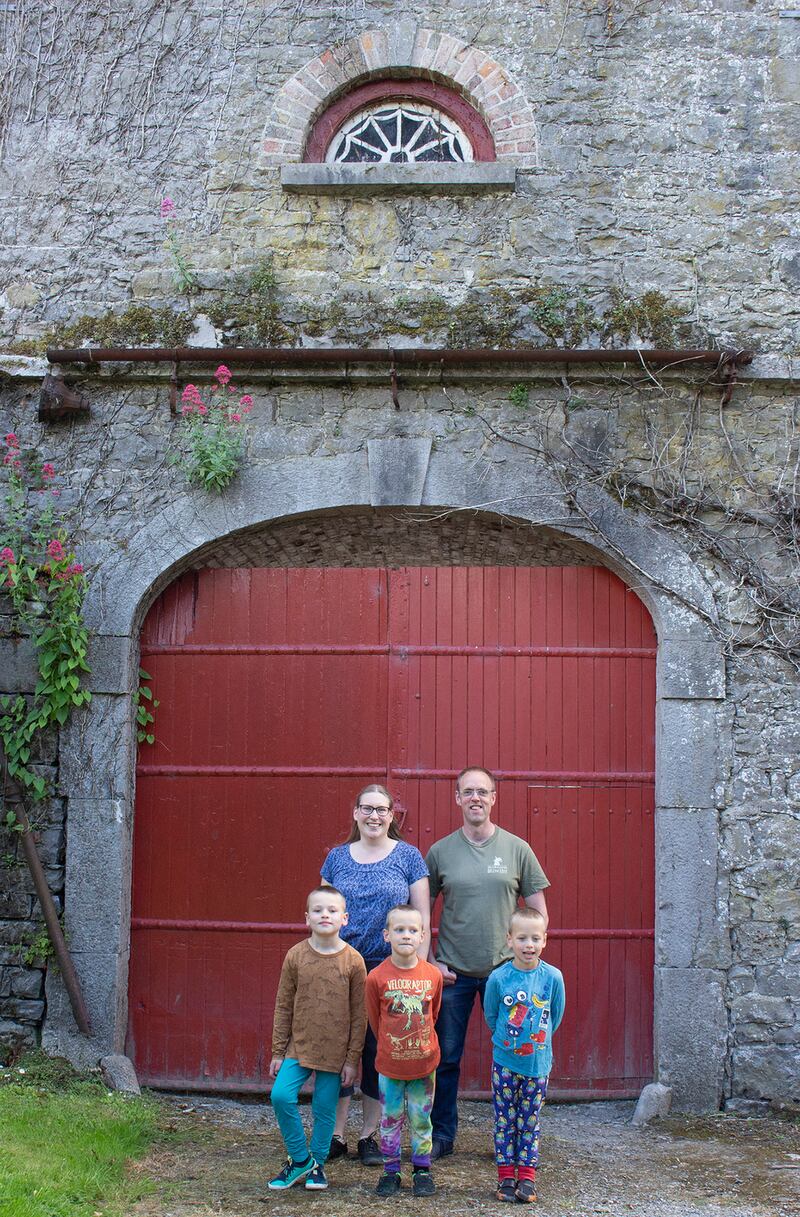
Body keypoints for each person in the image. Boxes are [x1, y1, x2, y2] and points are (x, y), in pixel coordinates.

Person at [426, 766, 549, 1159]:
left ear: (494, 798)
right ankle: (442, 1134)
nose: (475, 798)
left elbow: (538, 913)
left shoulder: (517, 849)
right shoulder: (440, 852)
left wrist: (526, 964)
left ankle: (510, 1140)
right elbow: (421, 911)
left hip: (506, 976)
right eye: (468, 792)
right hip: (453, 974)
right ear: (457, 798)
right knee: (446, 1058)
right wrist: (430, 960)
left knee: (513, 1057)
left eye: (482, 791)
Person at [320, 783, 430, 1164]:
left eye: (382, 810)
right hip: (342, 966)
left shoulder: (409, 857)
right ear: (355, 813)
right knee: (338, 1048)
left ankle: (369, 1134)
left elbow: (421, 919)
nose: (374, 816)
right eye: (367, 808)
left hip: (389, 970)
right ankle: (334, 1134)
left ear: (391, 816)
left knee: (376, 1048)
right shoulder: (336, 858)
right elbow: (324, 912)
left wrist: (417, 972)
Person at [267, 887, 367, 1192]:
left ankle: (318, 1165)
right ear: (307, 918)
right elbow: (284, 1004)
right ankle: (300, 1159)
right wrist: (278, 1051)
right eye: (318, 910)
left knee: (324, 1109)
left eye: (332, 910)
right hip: (299, 1046)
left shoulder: (353, 961)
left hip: (335, 1052)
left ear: (344, 918)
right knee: (281, 1095)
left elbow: (360, 1015)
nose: (325, 915)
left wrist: (352, 1059)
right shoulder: (296, 955)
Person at [484, 907, 565, 1203]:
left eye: (535, 938)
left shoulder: (552, 978)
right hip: (505, 1063)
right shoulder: (498, 978)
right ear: (509, 939)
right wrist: (507, 1040)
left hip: (537, 1064)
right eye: (521, 938)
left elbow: (555, 1015)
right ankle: (506, 1176)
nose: (528, 945)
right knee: (504, 1120)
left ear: (544, 940)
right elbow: (491, 1015)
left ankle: (527, 1178)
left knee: (529, 1121)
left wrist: (538, 1041)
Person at [366, 904, 443, 1198]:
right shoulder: (376, 977)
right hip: (390, 1066)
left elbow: (432, 1014)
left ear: (423, 935)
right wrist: (391, 1044)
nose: (406, 935)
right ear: (387, 935)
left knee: (421, 1119)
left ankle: (422, 1169)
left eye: (413, 930)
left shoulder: (433, 975)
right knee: (390, 1119)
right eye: (399, 930)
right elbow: (375, 1020)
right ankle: (391, 1171)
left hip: (424, 1065)